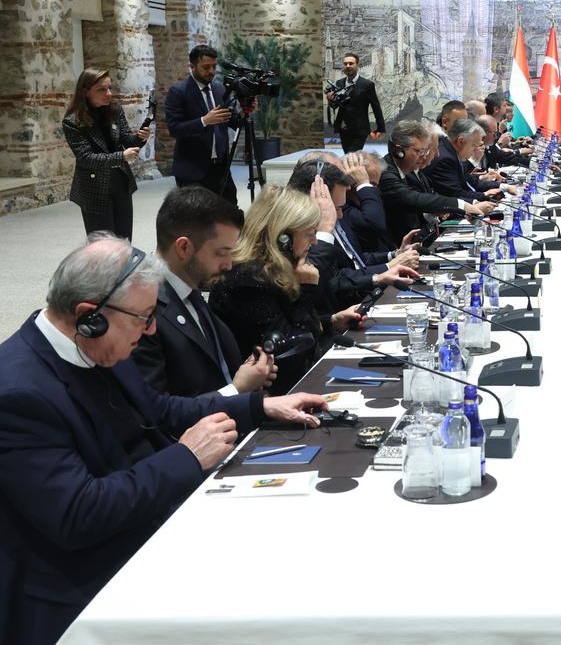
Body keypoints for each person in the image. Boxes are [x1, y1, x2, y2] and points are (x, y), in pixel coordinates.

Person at [0, 235, 324, 645]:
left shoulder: (96, 343)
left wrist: (259, 406)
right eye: (144, 317)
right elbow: (78, 515)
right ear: (89, 316)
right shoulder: (17, 393)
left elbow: (160, 410)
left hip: (141, 519)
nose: (151, 329)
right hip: (81, 584)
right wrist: (188, 456)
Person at [209, 185, 365, 394]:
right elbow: (296, 353)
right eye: (309, 233)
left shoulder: (269, 269)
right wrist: (306, 289)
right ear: (283, 238)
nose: (315, 241)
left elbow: (292, 325)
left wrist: (332, 321)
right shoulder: (248, 280)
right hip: (270, 398)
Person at [131, 187, 278, 398]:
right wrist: (236, 390)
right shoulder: (141, 310)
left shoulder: (189, 283)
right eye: (221, 253)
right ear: (183, 248)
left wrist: (248, 375)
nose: (229, 265)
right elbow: (157, 411)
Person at [285, 161, 418, 312]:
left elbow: (356, 260)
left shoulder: (337, 218)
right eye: (336, 208)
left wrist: (393, 256)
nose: (341, 215)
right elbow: (330, 281)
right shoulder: (300, 235)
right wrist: (325, 229)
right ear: (315, 197)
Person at [62, 67, 149, 239]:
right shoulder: (72, 122)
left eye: (110, 88)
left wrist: (140, 138)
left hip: (120, 181)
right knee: (102, 246)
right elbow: (86, 158)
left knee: (124, 240)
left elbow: (126, 140)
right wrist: (121, 156)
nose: (108, 93)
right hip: (94, 187)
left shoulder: (114, 111)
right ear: (85, 92)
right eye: (101, 89)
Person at [165, 44, 253, 205]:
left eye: (214, 67)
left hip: (220, 167)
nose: (211, 71)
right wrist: (204, 121)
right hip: (192, 169)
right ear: (192, 66)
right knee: (196, 220)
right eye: (206, 67)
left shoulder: (219, 89)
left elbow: (232, 121)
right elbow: (174, 129)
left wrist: (244, 113)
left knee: (229, 212)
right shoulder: (178, 92)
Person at [381, 120, 494, 245]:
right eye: (419, 151)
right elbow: (414, 199)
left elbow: (430, 201)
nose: (424, 156)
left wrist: (454, 211)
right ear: (399, 151)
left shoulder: (413, 172)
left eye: (425, 151)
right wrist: (461, 205)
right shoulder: (386, 173)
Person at [425, 118, 521, 202]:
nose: (475, 150)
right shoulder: (446, 158)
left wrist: (504, 187)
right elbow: (456, 194)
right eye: (474, 145)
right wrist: (483, 196)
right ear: (460, 141)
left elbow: (471, 181)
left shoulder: (452, 152)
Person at [326, 52, 385, 153]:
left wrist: (381, 128)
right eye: (345, 64)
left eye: (351, 63)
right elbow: (335, 106)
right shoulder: (339, 83)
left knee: (352, 156)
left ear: (357, 65)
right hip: (343, 128)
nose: (348, 66)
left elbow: (376, 106)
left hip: (360, 129)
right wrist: (330, 100)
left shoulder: (367, 85)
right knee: (348, 155)